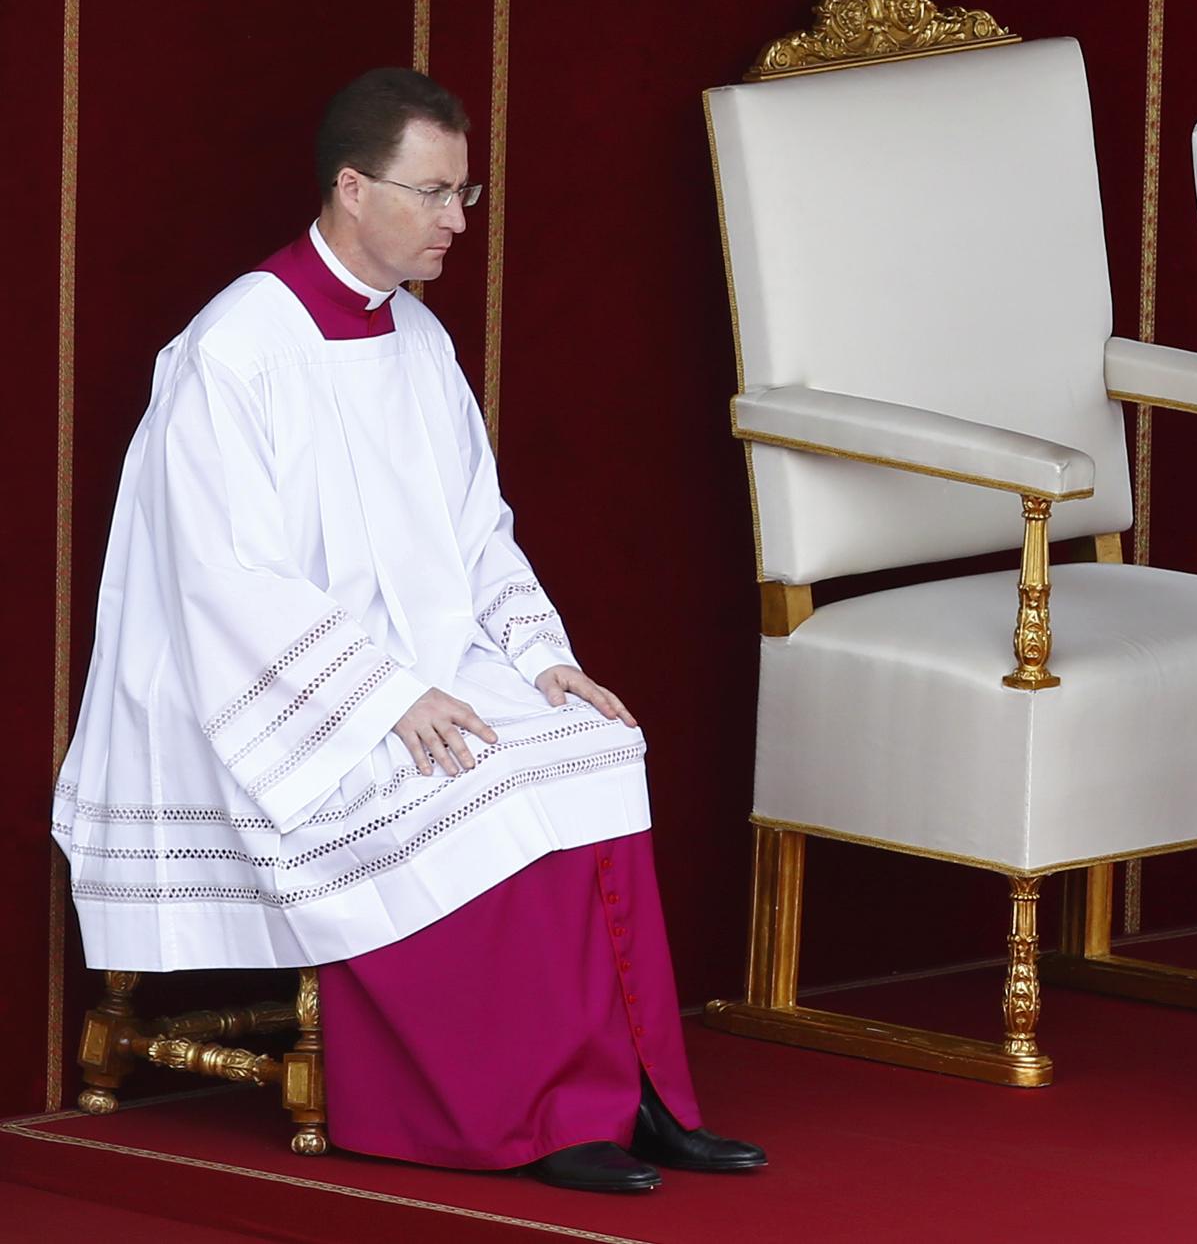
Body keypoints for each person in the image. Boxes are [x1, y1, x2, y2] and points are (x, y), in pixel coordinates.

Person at [52, 71, 762, 1195]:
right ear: (350, 186)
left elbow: (478, 528)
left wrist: (542, 657)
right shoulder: (235, 348)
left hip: (430, 662)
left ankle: (631, 1093)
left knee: (585, 741)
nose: (457, 219)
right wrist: (384, 694)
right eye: (434, 192)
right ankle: (519, 1114)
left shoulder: (415, 337)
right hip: (280, 694)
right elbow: (224, 575)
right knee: (477, 769)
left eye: (463, 190)